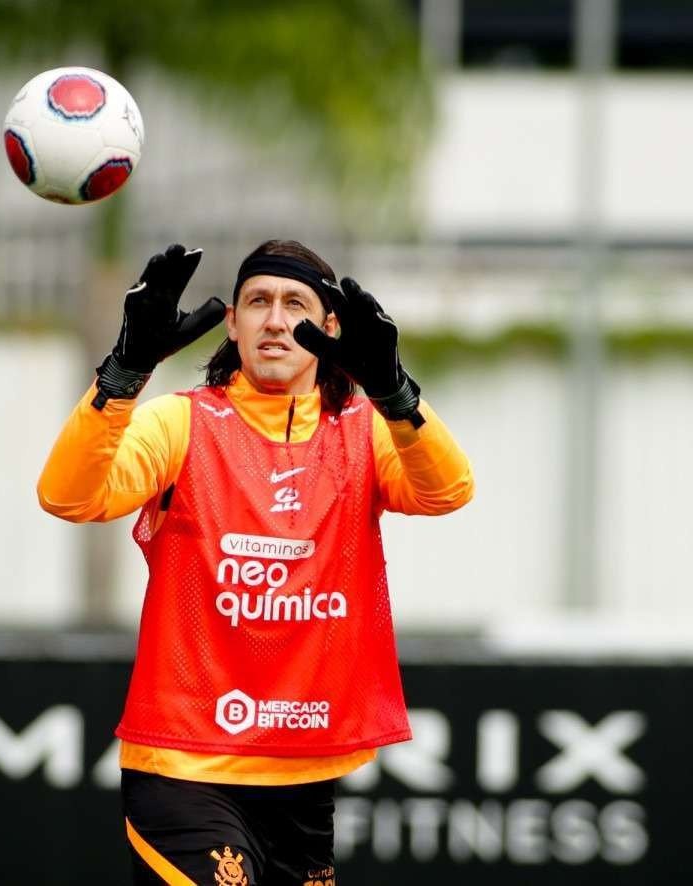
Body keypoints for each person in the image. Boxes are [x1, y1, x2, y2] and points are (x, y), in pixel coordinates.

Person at [38, 240, 474, 885]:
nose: (273, 319)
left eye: (294, 303)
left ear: (330, 328)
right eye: (257, 302)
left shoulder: (364, 429)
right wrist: (123, 373)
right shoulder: (181, 424)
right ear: (234, 324)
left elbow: (448, 491)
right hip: (184, 767)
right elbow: (68, 497)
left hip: (302, 778)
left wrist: (396, 392)